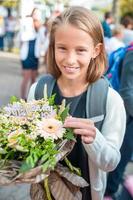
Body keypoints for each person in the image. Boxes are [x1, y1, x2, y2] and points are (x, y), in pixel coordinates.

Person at [27, 6, 126, 200]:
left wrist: (94, 139)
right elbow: (29, 154)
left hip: (88, 194)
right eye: (62, 48)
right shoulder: (38, 91)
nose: (70, 59)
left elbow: (111, 162)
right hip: (44, 193)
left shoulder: (110, 100)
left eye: (80, 50)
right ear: (52, 46)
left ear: (96, 50)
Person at [104, 45, 133, 200]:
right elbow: (126, 91)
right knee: (123, 154)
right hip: (129, 116)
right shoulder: (132, 53)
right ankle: (109, 192)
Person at [20, 8, 46, 100]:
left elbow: (43, 40)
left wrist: (40, 29)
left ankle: (31, 98)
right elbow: (23, 38)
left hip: (35, 55)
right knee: (26, 77)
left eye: (38, 14)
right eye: (35, 13)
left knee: (33, 78)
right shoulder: (27, 23)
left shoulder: (41, 27)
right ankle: (22, 98)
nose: (36, 16)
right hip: (27, 54)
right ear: (32, 14)